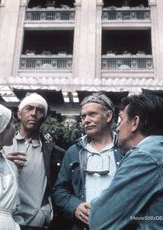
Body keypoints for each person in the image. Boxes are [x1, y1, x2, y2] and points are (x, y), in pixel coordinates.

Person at [90, 93, 163, 229]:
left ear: (135, 122)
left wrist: (96, 206)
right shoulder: (162, 155)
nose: (117, 128)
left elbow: (99, 220)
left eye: (121, 120)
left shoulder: (145, 157)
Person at [52, 93, 123, 230]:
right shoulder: (73, 151)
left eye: (92, 114)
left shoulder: (125, 150)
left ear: (108, 116)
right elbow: (59, 190)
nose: (86, 120)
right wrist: (74, 206)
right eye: (83, 116)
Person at [3, 93, 65, 230]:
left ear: (44, 117)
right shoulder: (1, 146)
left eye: (39, 110)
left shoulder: (55, 153)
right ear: (19, 114)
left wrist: (45, 212)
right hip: (5, 220)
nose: (33, 113)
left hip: (37, 222)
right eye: (29, 108)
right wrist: (3, 163)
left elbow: (60, 188)